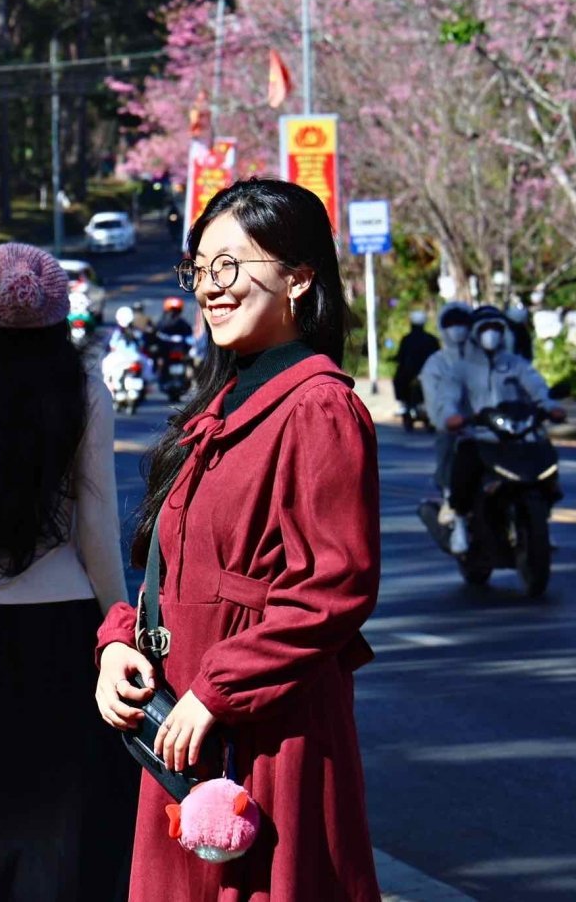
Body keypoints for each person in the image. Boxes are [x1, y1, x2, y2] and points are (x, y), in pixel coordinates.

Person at [94, 178, 381, 902]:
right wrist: (119, 644)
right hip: (186, 728)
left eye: (231, 267)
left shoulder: (320, 408)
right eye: (200, 271)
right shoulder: (217, 407)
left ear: (298, 276)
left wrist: (218, 692)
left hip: (264, 735)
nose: (210, 289)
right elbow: (174, 569)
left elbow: (333, 588)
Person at [0, 243, 136, 902]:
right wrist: (118, 620)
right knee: (66, 804)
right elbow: (97, 524)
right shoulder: (81, 390)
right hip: (62, 618)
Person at [435, 305, 564, 543]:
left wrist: (550, 407)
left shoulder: (516, 364)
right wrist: (452, 416)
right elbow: (448, 398)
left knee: (545, 459)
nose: (491, 333)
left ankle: (541, 521)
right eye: (485, 328)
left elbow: (536, 387)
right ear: (474, 332)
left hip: (517, 434)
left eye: (496, 328)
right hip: (479, 435)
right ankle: (461, 525)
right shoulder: (461, 368)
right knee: (464, 466)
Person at [418, 303, 473, 500]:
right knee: (448, 468)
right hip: (453, 430)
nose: (458, 329)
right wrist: (445, 420)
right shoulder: (437, 362)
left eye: (462, 323)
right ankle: (450, 504)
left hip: (485, 428)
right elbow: (433, 398)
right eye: (452, 323)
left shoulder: (481, 358)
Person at [393, 309, 440, 424]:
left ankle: (404, 404)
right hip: (419, 374)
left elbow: (400, 356)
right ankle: (406, 405)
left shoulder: (407, 339)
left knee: (398, 380)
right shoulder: (431, 339)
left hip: (415, 374)